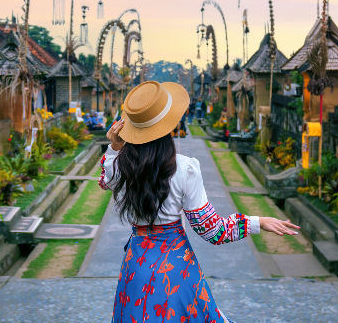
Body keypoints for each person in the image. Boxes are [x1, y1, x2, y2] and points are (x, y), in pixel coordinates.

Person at [100, 81, 299, 323]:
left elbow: (105, 179)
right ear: (170, 125)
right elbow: (212, 231)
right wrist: (258, 222)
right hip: (175, 269)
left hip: (136, 267)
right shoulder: (184, 168)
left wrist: (115, 147)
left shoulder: (118, 166)